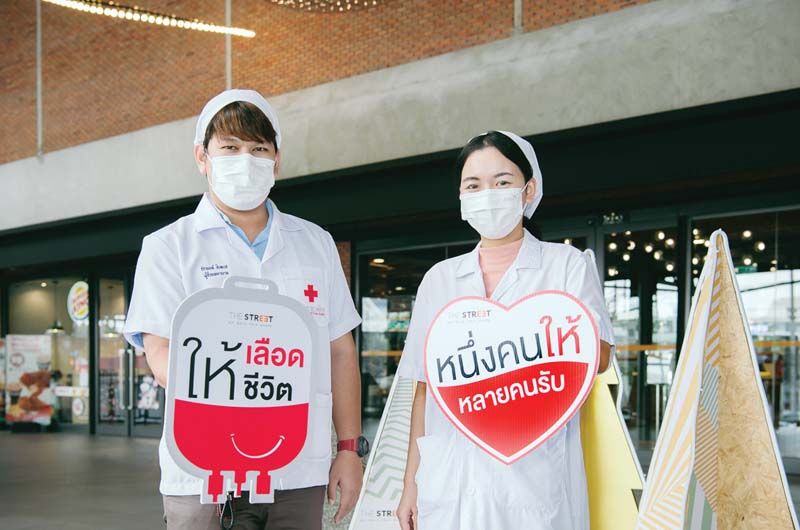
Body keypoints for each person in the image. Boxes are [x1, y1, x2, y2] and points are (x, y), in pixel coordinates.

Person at [123, 89, 368, 530]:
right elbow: (159, 353)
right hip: (203, 471)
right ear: (202, 157)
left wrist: (349, 449)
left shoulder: (315, 244)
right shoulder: (169, 247)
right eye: (230, 147)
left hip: (298, 467)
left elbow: (340, 351)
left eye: (258, 149)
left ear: (276, 160)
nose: (246, 159)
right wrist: (238, 392)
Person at [395, 130, 614, 530]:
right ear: (461, 197)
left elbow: (598, 357)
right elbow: (424, 390)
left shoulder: (566, 264)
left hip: (534, 479)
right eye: (473, 185)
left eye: (502, 182)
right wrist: (411, 482)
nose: (487, 194)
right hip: (451, 482)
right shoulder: (440, 279)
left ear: (528, 190)